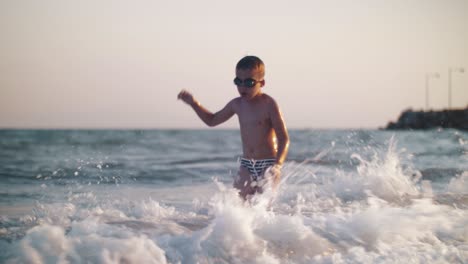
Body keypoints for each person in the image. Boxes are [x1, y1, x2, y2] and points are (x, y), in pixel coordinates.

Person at [177, 56, 289, 199]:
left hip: (268, 165)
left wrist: (277, 165)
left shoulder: (269, 104)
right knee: (238, 204)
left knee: (262, 207)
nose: (242, 87)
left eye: (249, 82)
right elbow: (212, 121)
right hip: (247, 164)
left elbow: (284, 138)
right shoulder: (237, 104)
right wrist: (194, 103)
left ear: (262, 83)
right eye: (238, 81)